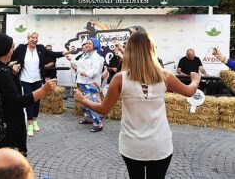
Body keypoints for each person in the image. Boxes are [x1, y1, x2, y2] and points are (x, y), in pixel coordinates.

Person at [74, 31, 201, 179]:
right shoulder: (165, 75)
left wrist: (83, 100)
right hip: (159, 145)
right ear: (151, 49)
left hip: (132, 145)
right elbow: (189, 92)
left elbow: (103, 109)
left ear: (129, 51)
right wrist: (195, 79)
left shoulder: (120, 78)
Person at [0, 33, 57, 156]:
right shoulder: (1, 73)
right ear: (3, 50)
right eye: (11, 48)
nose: (13, 51)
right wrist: (44, 90)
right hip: (6, 132)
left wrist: (11, 72)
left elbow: (2, 90)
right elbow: (16, 102)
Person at [11, 31, 73, 137]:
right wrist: (12, 66)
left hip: (38, 79)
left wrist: (66, 52)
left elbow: (53, 54)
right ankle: (29, 124)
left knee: (37, 100)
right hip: (25, 79)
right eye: (32, 37)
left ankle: (35, 121)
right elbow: (11, 57)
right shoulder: (21, 48)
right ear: (28, 38)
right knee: (29, 100)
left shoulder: (40, 48)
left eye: (36, 38)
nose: (34, 40)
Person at [72, 38, 105, 132]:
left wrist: (85, 73)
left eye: (89, 43)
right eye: (86, 43)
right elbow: (78, 66)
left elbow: (95, 71)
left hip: (91, 83)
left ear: (95, 45)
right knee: (83, 103)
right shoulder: (85, 55)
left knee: (92, 104)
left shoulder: (97, 57)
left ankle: (98, 124)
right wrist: (72, 61)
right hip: (82, 82)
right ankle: (88, 119)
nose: (86, 45)